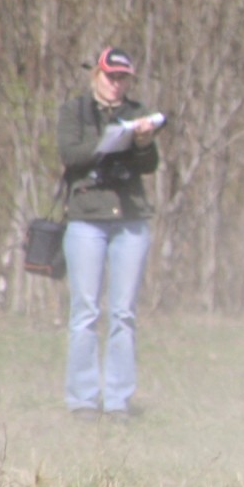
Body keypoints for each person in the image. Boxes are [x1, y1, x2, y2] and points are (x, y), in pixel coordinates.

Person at [57, 46, 162, 417]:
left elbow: (149, 165)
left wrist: (143, 142)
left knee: (124, 313)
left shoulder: (137, 113)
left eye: (123, 78)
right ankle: (83, 399)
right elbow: (71, 156)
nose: (116, 84)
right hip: (86, 218)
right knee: (85, 311)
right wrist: (108, 142)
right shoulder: (75, 112)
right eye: (110, 76)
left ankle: (118, 399)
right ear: (96, 76)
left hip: (130, 219)